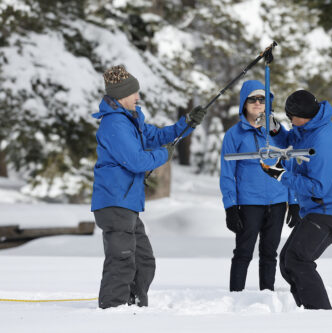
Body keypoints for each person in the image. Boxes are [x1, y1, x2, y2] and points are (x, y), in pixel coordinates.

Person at [91, 65, 206, 309]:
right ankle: (113, 312)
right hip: (114, 202)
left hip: (127, 203)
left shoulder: (131, 121)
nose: (138, 97)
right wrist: (164, 156)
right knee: (121, 261)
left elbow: (155, 136)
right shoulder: (114, 125)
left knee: (143, 261)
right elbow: (136, 161)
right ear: (122, 96)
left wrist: (186, 124)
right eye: (134, 93)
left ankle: (134, 307)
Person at [260, 90, 332, 309]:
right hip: (317, 209)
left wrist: (281, 174)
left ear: (301, 116)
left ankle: (321, 315)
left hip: (331, 209)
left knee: (298, 260)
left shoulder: (324, 142)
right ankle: (308, 310)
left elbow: (318, 188)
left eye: (290, 117)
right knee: (287, 262)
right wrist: (273, 127)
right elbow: (290, 141)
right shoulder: (305, 128)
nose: (290, 122)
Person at [219, 80, 299, 292]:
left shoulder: (277, 133)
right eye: (252, 99)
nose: (257, 103)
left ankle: (267, 295)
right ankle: (236, 296)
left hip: (278, 201)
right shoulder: (234, 135)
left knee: (269, 253)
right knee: (244, 251)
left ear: (268, 103)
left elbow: (289, 166)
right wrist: (230, 206)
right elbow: (227, 175)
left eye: (262, 99)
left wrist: (294, 202)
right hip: (249, 203)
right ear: (244, 103)